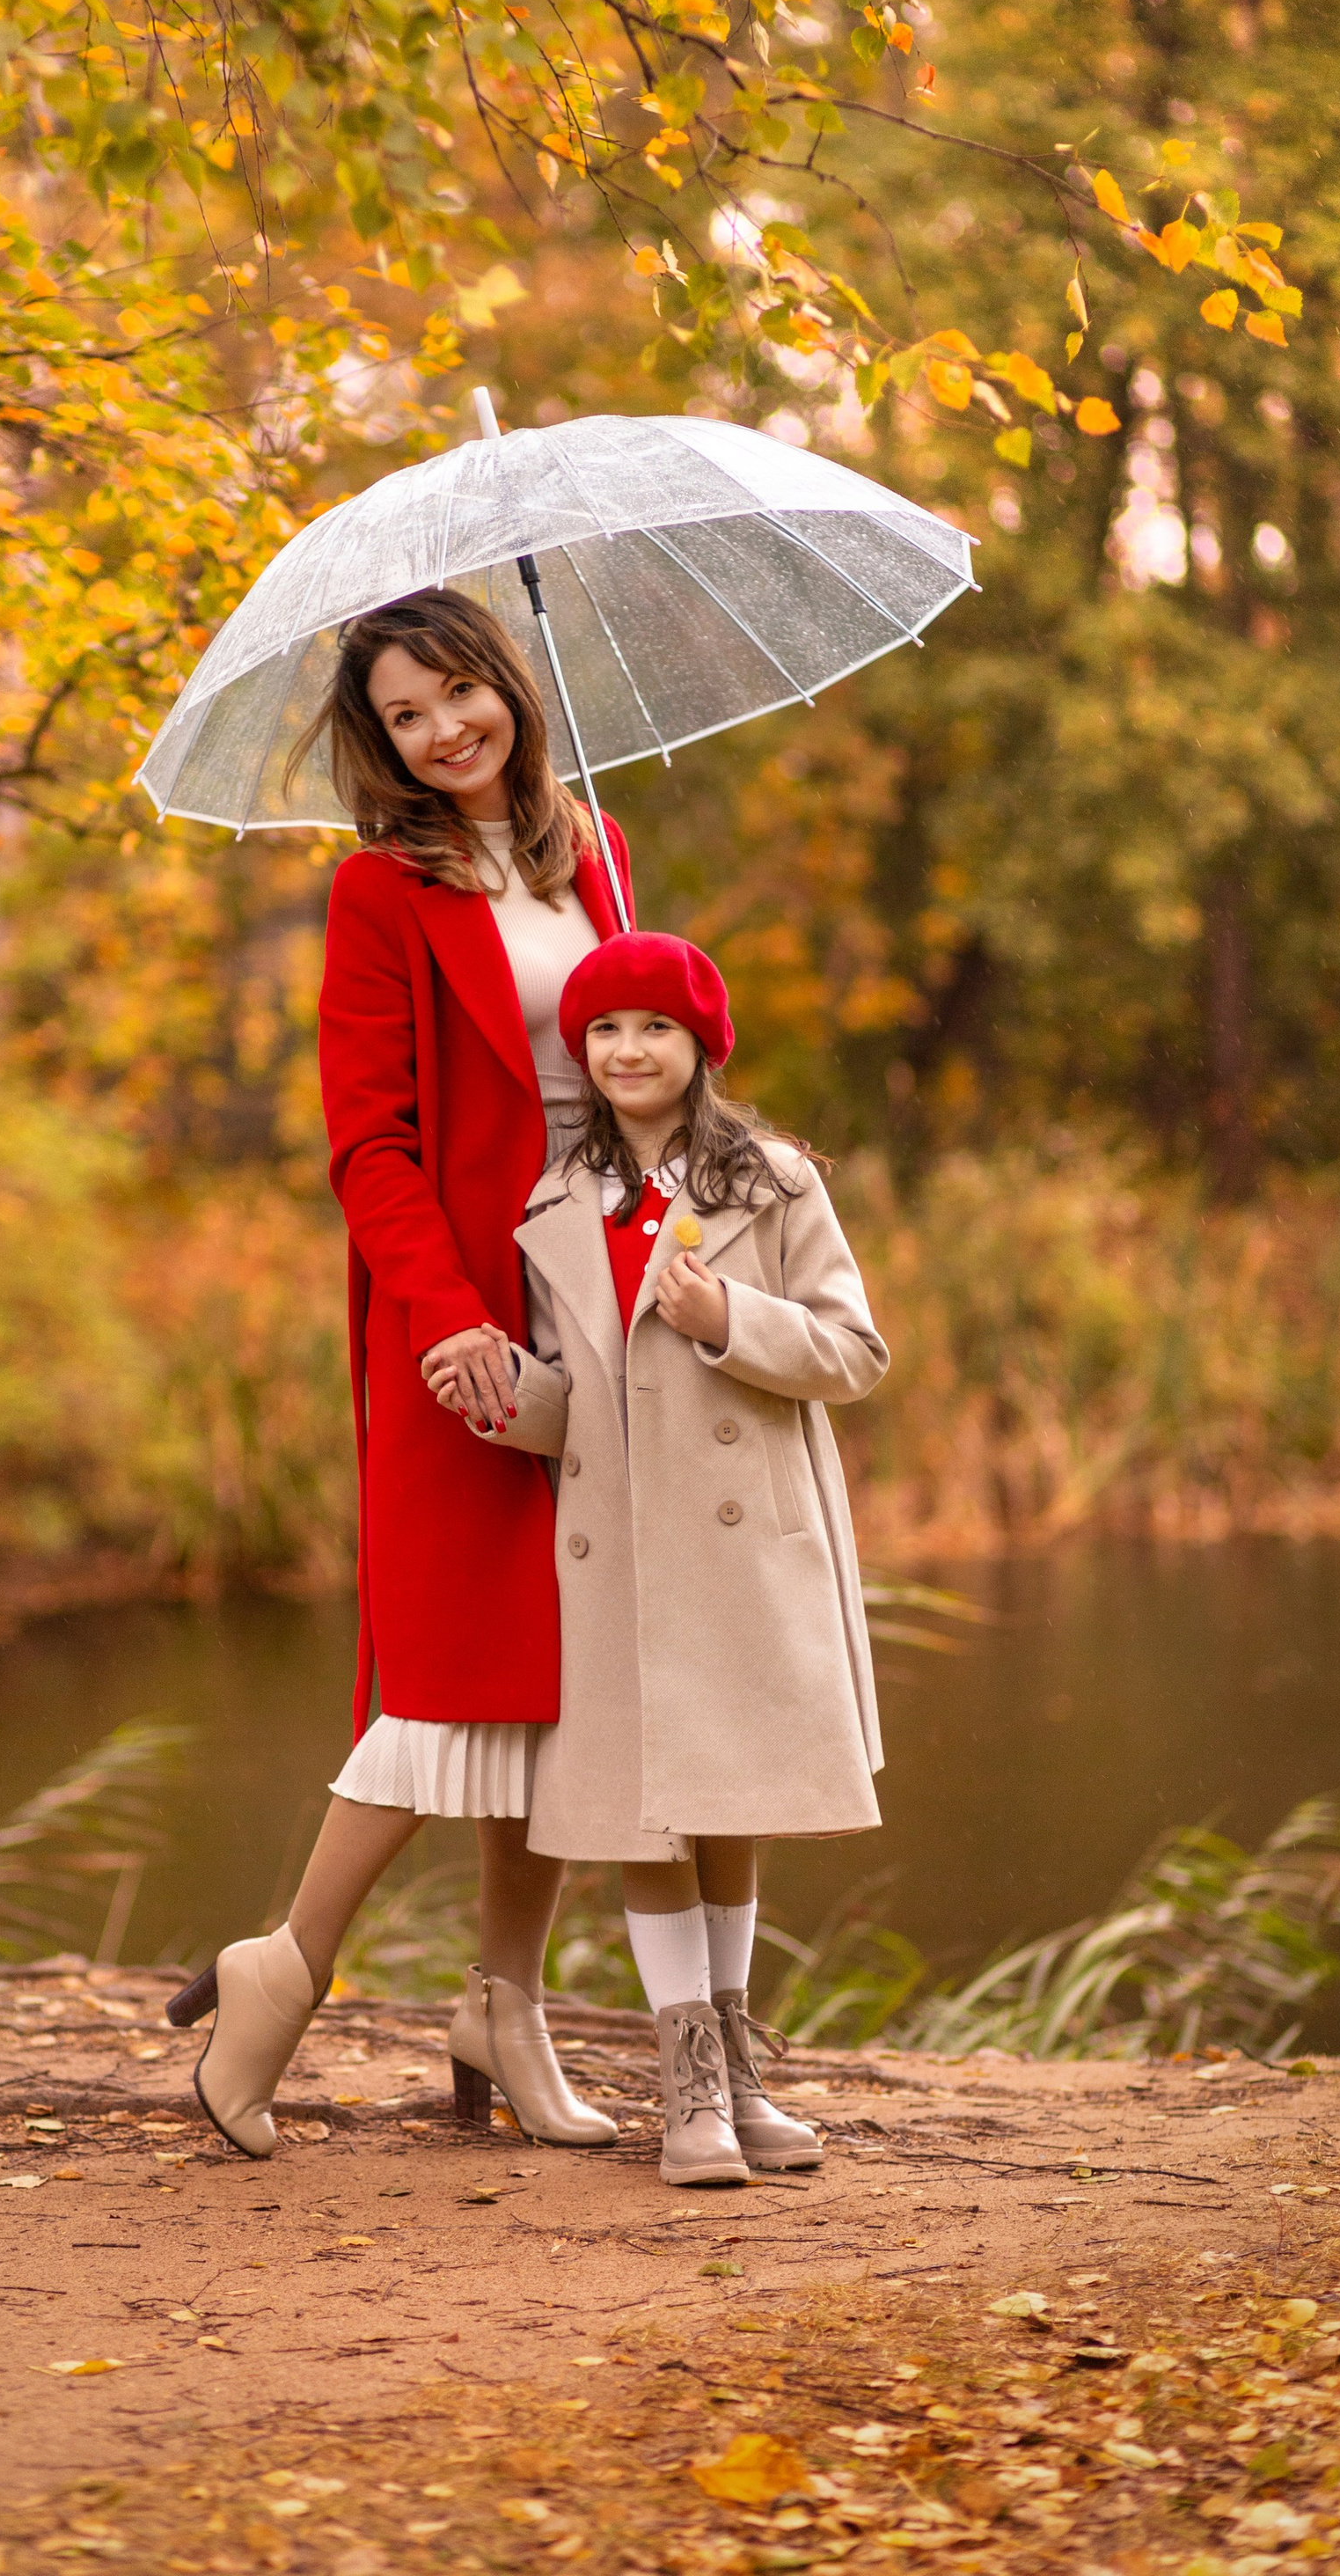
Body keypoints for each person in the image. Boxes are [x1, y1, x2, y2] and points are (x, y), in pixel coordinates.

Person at [168, 587, 634, 2156]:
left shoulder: (598, 851)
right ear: (381, 744)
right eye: (405, 716)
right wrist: (443, 1319)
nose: (444, 733)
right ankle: (279, 1976)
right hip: (461, 1313)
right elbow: (368, 1141)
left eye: (459, 695)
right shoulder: (379, 894)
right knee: (442, 1677)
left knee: (564, 1683)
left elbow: (641, 1062)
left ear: (507, 681)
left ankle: (504, 2003)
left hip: (601, 1297)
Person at [444, 928, 889, 2187]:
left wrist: (728, 1319)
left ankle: (739, 2077)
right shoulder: (552, 1206)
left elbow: (854, 1355)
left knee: (731, 1801)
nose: (628, 1051)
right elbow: (570, 1405)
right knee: (647, 1814)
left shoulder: (779, 1184)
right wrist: (492, 1393)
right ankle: (688, 2094)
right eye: (603, 1031)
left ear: (702, 1049)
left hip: (742, 1548)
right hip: (620, 1557)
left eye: (654, 1029)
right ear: (579, 1054)